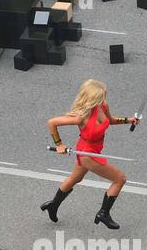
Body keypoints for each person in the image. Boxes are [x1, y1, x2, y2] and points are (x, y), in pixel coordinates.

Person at [40, 79, 139, 229]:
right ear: (92, 98)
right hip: (87, 154)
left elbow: (110, 120)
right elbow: (52, 122)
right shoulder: (81, 117)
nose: (103, 100)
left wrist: (128, 120)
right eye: (100, 97)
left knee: (75, 178)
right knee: (120, 179)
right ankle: (103, 213)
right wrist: (59, 144)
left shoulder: (103, 106)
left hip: (94, 150)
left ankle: (53, 205)